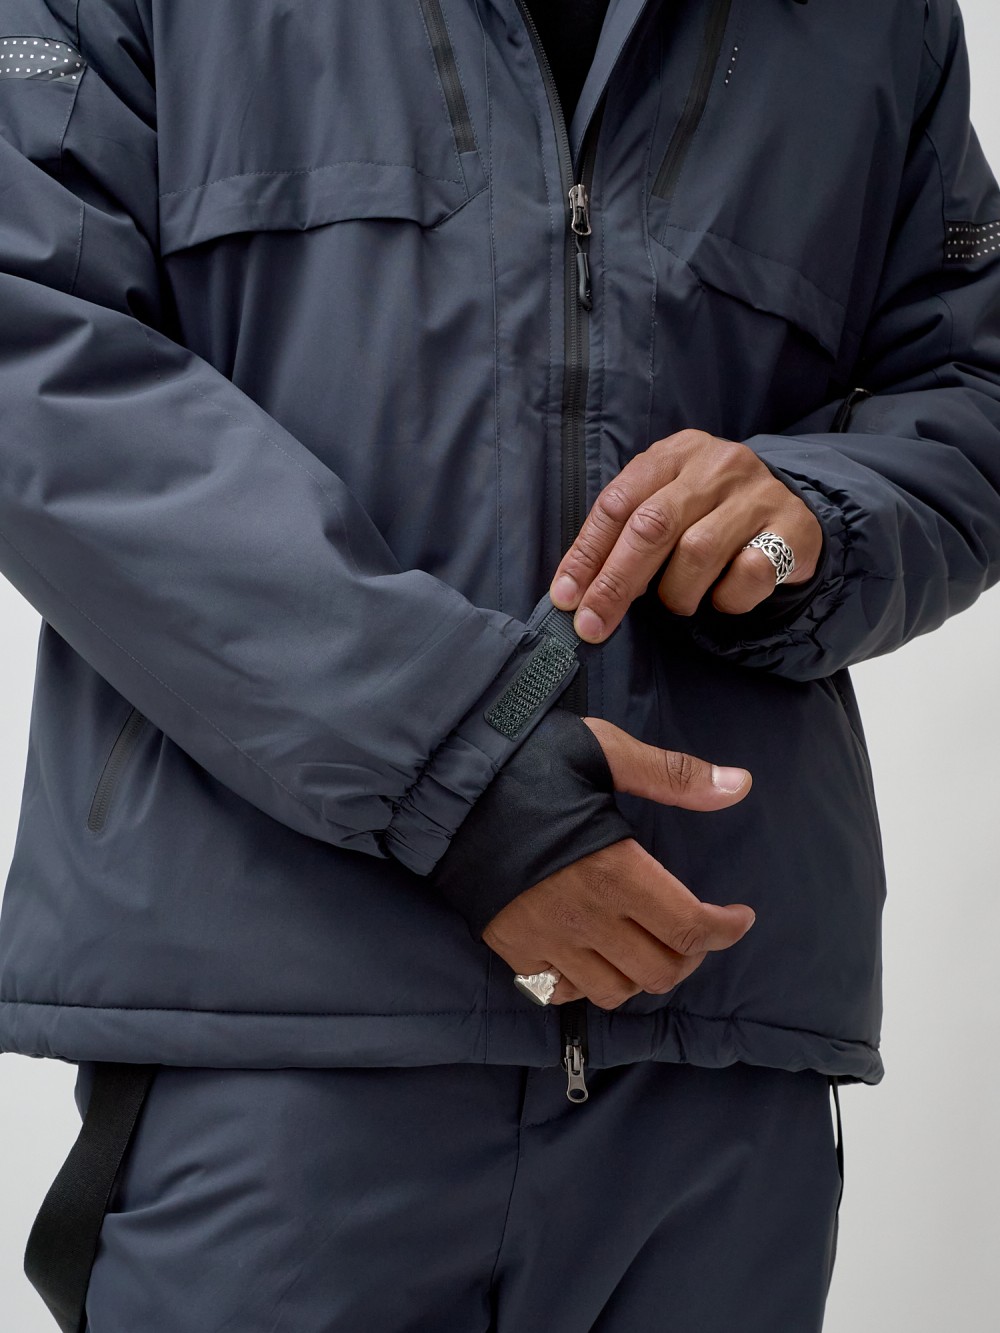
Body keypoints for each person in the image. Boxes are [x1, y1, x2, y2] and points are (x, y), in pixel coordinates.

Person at [2, 0, 999, 1329]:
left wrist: (815, 515)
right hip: (288, 1050)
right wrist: (462, 763)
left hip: (710, 1075)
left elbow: (969, 391)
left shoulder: (879, 23)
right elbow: (39, 363)